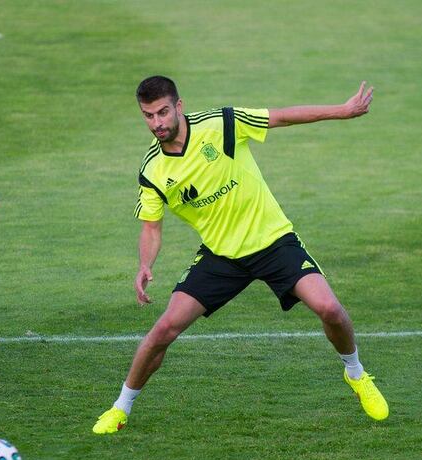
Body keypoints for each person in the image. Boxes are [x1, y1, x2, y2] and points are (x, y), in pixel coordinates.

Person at [93, 76, 389, 434]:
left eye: (163, 112)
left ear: (179, 106)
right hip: (222, 257)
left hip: (273, 242)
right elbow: (151, 227)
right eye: (148, 115)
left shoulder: (222, 124)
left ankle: (356, 374)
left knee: (330, 309)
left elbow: (281, 117)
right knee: (163, 330)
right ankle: (120, 408)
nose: (157, 123)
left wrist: (342, 111)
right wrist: (145, 264)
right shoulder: (153, 170)